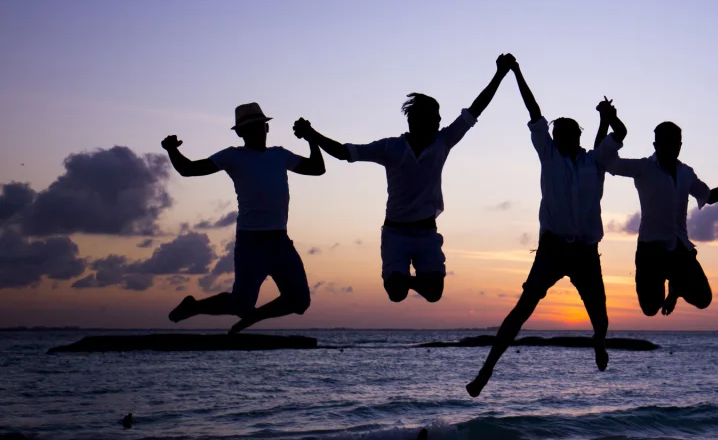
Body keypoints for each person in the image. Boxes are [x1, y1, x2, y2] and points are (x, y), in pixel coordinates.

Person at [466, 59, 626, 397]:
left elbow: (619, 135)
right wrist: (516, 72)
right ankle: (487, 369)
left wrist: (609, 119)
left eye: (565, 133)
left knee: (601, 318)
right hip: (552, 250)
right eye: (556, 133)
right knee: (522, 309)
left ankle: (598, 343)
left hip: (585, 253)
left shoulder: (593, 161)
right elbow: (533, 109)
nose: (557, 136)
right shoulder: (549, 156)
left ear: (577, 137)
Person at [300, 55, 511, 304]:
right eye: (435, 116)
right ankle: (399, 280)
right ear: (417, 120)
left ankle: (402, 278)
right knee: (396, 294)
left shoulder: (443, 142)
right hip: (395, 233)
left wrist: (500, 74)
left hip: (426, 232)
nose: (440, 120)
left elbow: (475, 109)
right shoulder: (391, 148)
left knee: (433, 294)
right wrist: (312, 134)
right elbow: (345, 153)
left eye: (439, 116)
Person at [163, 102, 325, 334]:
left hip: (280, 241)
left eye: (260, 126)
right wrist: (172, 150)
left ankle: (253, 318)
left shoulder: (279, 155)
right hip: (251, 242)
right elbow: (189, 169)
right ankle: (194, 307)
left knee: (300, 301)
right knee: (240, 303)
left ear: (267, 128)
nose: (258, 131)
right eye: (251, 128)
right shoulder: (233, 156)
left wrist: (311, 138)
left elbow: (317, 168)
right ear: (240, 133)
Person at [598, 119, 718, 316]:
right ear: (656, 145)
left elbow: (709, 196)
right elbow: (606, 161)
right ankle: (672, 286)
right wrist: (608, 122)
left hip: (679, 249)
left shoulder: (686, 173)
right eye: (667, 142)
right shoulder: (643, 168)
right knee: (650, 308)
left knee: (704, 299)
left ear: (681, 144)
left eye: (677, 142)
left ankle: (675, 288)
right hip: (650, 250)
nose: (673, 147)